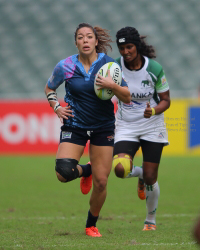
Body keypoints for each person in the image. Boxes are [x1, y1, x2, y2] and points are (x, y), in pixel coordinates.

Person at [44, 23, 131, 237]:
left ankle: (91, 224)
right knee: (63, 173)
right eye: (81, 37)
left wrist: (114, 85)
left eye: (89, 36)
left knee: (102, 182)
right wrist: (56, 107)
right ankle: (88, 170)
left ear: (95, 41)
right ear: (76, 42)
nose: (85, 40)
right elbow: (49, 88)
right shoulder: (64, 66)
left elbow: (127, 96)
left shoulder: (110, 65)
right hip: (75, 125)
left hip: (103, 126)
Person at [112, 26, 170, 231]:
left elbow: (166, 100)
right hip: (126, 125)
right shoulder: (114, 68)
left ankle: (150, 221)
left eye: (129, 47)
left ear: (137, 46)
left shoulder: (154, 68)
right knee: (119, 170)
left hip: (152, 125)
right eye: (122, 48)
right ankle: (140, 175)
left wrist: (153, 111)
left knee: (152, 177)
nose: (125, 52)